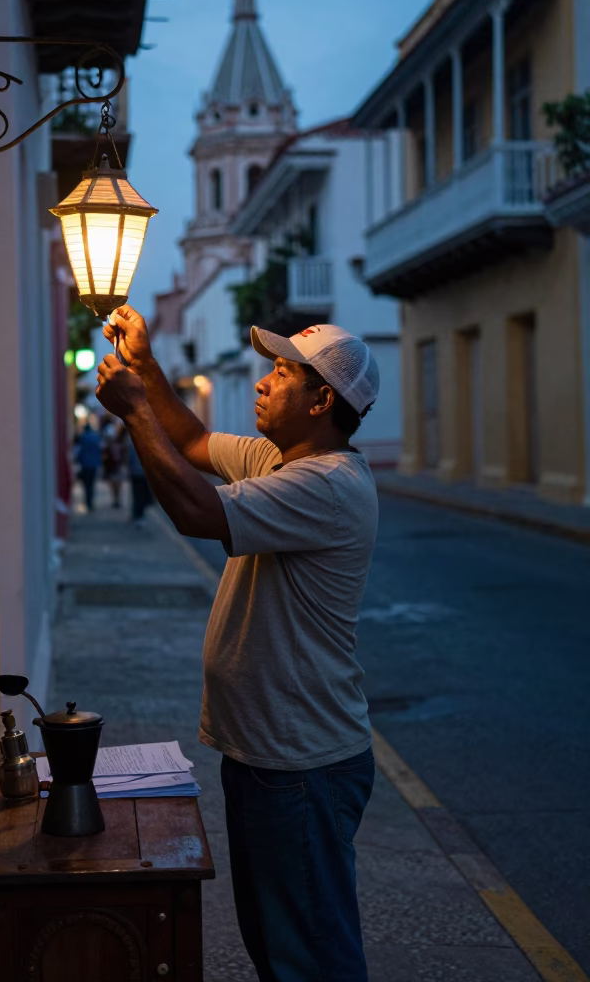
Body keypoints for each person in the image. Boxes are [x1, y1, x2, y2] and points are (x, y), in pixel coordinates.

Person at [95, 305, 380, 982]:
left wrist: (135, 412)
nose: (261, 383)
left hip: (301, 762)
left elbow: (197, 510)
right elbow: (191, 441)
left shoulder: (328, 485)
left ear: (321, 401)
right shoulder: (279, 460)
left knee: (310, 957)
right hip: (269, 754)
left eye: (281, 373)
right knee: (277, 945)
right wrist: (145, 365)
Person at [73, 419, 102, 511]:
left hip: (85, 464)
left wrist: (78, 460)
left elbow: (79, 451)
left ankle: (88, 501)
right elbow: (99, 450)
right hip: (94, 464)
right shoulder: (96, 437)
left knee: (86, 484)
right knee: (92, 484)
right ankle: (90, 501)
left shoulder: (83, 438)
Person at [101, 419, 126, 509]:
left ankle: (117, 499)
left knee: (117, 484)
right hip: (113, 467)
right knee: (114, 484)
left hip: (117, 467)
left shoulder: (120, 444)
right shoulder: (108, 447)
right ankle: (115, 499)